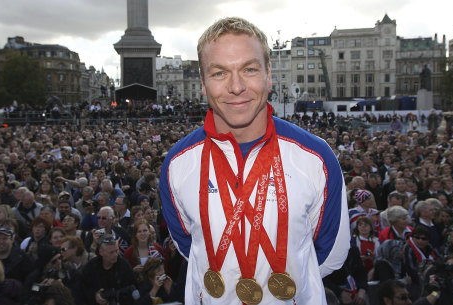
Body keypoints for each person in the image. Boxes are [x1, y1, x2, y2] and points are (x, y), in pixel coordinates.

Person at [160, 17, 350, 304]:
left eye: (248, 69)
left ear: (268, 74)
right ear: (203, 83)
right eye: (219, 73)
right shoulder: (177, 164)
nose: (236, 87)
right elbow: (190, 247)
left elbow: (330, 252)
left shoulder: (315, 157)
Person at [81, 236, 138, 305]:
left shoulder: (124, 265)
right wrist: (94, 296)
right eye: (111, 252)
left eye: (116, 251)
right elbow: (83, 287)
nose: (115, 255)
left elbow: (132, 287)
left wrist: (113, 294)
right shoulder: (91, 266)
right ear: (101, 252)